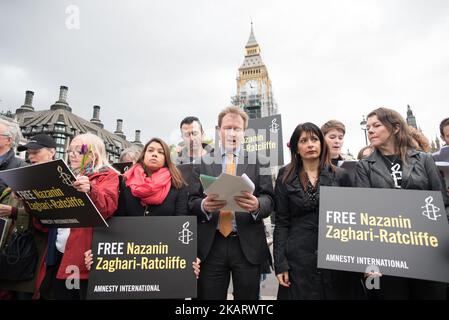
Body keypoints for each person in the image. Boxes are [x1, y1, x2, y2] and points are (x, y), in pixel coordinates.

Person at [354, 107, 448, 300]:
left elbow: (441, 204)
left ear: (395, 128)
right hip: (387, 256)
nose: (370, 130)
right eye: (368, 126)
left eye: (376, 125)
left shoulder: (423, 159)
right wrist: (368, 262)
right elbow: (362, 216)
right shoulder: (364, 166)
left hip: (426, 253)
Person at [188, 106, 275, 300]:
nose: (232, 133)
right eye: (227, 128)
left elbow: (270, 199)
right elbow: (191, 201)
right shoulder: (201, 163)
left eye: (237, 128)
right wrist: (203, 206)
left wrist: (257, 205)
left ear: (244, 132)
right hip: (211, 245)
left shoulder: (261, 162)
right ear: (219, 130)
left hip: (247, 245)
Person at [273, 122, 354, 300]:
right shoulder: (284, 176)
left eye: (314, 139)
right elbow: (281, 222)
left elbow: (352, 220)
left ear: (321, 144)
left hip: (334, 258)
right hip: (298, 260)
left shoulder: (341, 176)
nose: (310, 144)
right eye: (304, 140)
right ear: (296, 147)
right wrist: (280, 263)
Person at [34, 133, 119, 300]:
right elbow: (46, 219)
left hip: (81, 257)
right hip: (56, 252)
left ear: (93, 154)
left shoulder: (107, 176)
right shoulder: (63, 175)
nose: (72, 154)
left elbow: (108, 206)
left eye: (79, 151)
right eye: (69, 150)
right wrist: (32, 201)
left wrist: (91, 190)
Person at [115, 137, 189, 217]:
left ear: (166, 158)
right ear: (143, 155)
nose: (154, 154)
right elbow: (120, 218)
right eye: (150, 150)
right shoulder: (127, 182)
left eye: (160, 152)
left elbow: (181, 220)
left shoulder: (177, 184)